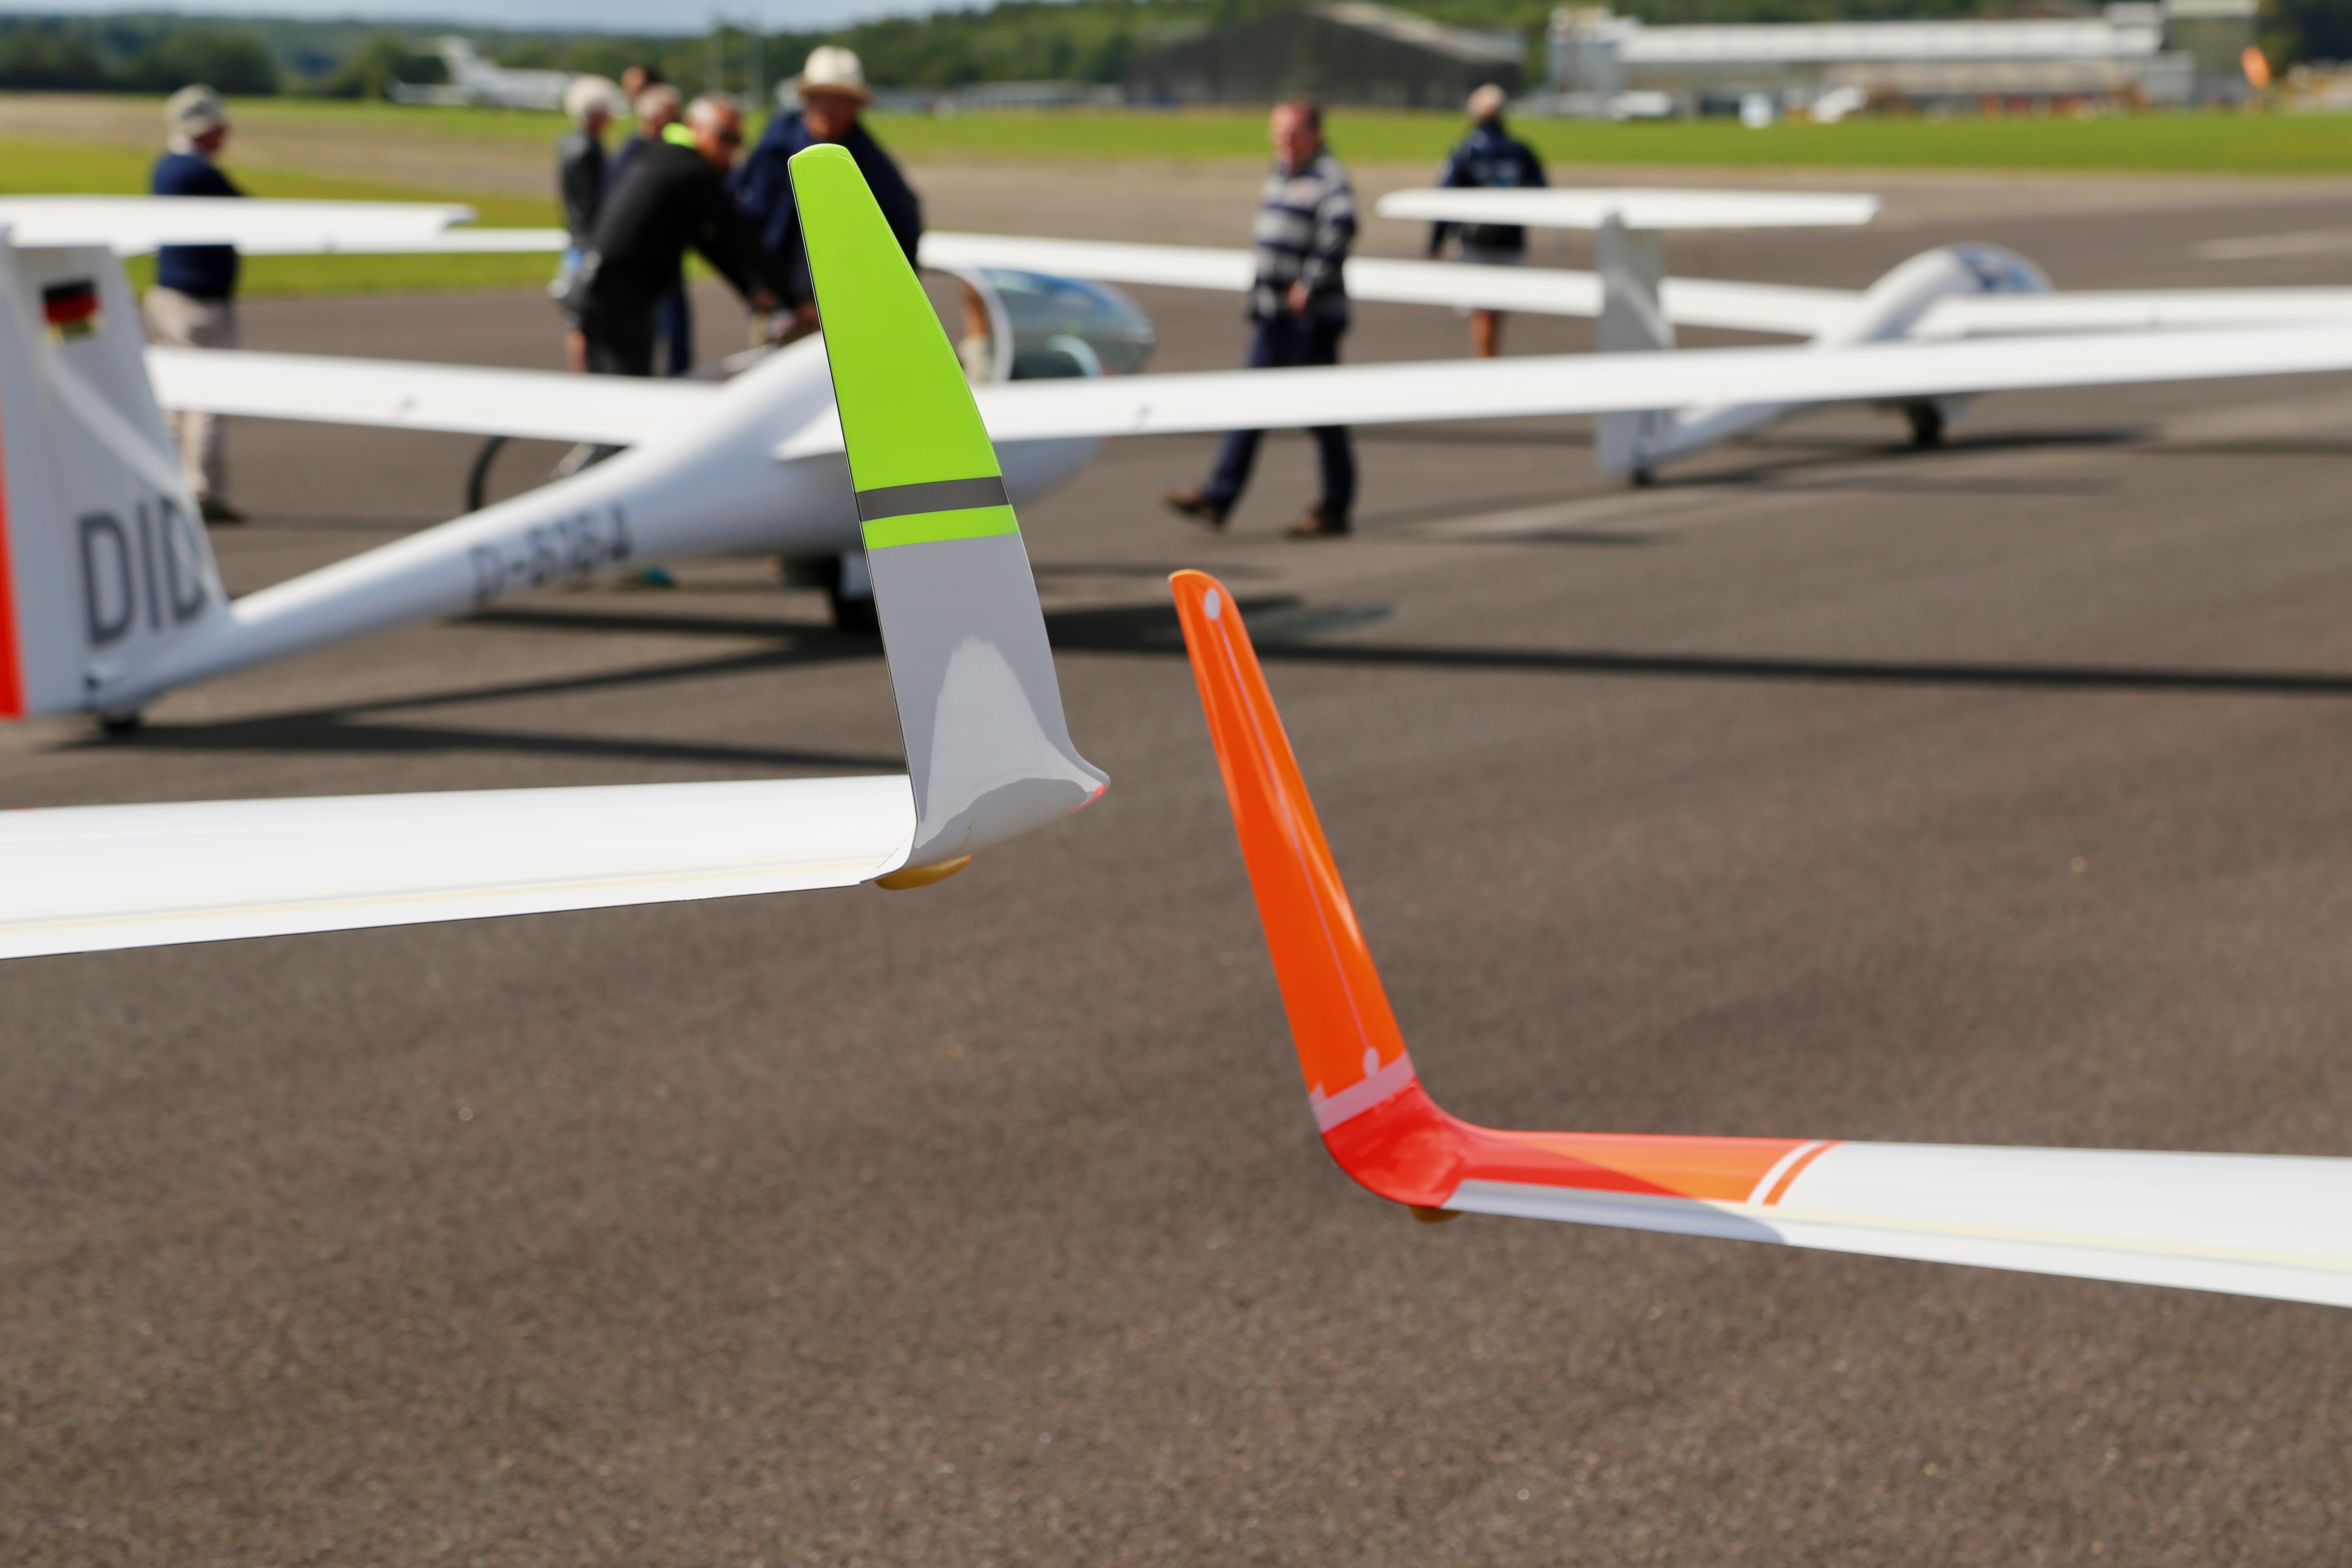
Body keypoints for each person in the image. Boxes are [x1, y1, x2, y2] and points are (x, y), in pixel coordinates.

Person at [1164, 99, 1357, 539]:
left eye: (1294, 132)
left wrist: (1310, 284)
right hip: (1273, 317)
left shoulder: (1328, 178)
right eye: (1279, 131)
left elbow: (1342, 228)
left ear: (1315, 135)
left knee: (1323, 414)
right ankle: (1219, 497)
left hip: (1309, 319)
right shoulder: (1281, 174)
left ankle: (1336, 505)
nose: (1284, 140)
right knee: (1249, 405)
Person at [573, 93, 781, 379]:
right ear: (695, 127)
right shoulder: (692, 171)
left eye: (737, 140)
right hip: (617, 298)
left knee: (612, 384)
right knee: (625, 388)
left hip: (601, 289)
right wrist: (794, 299)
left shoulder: (667, 157)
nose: (731, 149)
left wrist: (751, 291)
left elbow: (709, 243)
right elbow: (739, 237)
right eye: (724, 136)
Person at [731, 46, 922, 341]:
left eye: (841, 101)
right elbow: (744, 218)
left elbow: (903, 228)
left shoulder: (870, 162)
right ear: (807, 100)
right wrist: (758, 284)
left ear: (856, 107)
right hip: (775, 304)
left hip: (847, 311)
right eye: (821, 98)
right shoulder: (775, 147)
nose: (829, 109)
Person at [144, 84, 248, 524]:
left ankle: (165, 483)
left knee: (173, 400)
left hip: (166, 297)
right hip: (199, 303)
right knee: (207, 397)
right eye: (220, 128)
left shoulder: (165, 167)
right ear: (204, 130)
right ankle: (203, 493)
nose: (225, 136)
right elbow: (248, 211)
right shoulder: (200, 174)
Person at [1426, 83, 1547, 359]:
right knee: (1497, 310)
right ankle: (1491, 361)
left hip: (1475, 243)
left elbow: (1445, 196)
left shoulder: (1465, 150)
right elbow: (1541, 190)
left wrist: (1435, 242)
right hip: (1511, 240)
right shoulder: (1521, 151)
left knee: (1481, 310)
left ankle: (1486, 365)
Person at [604, 82, 696, 376]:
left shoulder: (666, 149)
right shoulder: (635, 152)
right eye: (671, 114)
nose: (676, 120)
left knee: (676, 325)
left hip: (666, 257)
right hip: (639, 264)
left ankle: (677, 374)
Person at [554, 75, 622, 374]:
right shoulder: (588, 149)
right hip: (587, 244)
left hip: (577, 241)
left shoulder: (570, 144)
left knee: (580, 319)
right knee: (583, 320)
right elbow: (592, 205)